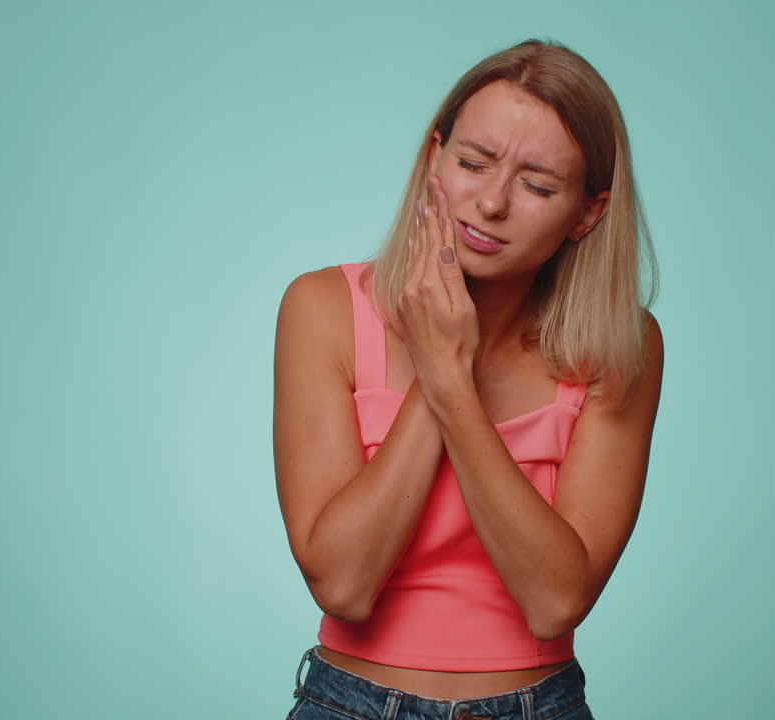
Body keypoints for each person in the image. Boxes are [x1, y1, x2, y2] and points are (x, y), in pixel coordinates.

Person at [273, 38, 663, 720]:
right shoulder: (322, 309)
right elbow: (342, 585)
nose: (490, 203)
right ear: (434, 159)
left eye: (537, 185)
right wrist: (439, 359)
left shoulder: (620, 348)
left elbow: (554, 602)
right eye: (474, 163)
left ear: (588, 213)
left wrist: (453, 379)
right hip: (347, 705)